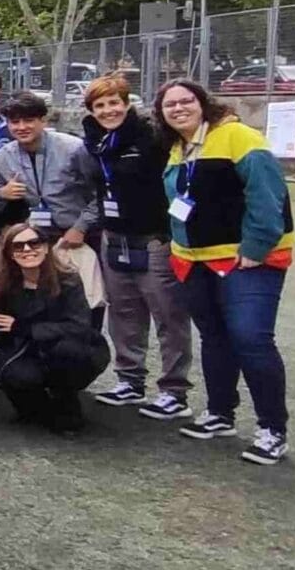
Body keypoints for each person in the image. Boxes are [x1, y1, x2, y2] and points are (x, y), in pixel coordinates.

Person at [156, 78, 295, 465]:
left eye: (186, 101)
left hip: (246, 261)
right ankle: (220, 412)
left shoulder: (238, 137)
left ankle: (272, 429)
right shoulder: (177, 148)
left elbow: (267, 194)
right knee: (215, 337)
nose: (179, 108)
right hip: (195, 260)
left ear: (203, 103)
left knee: (251, 338)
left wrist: (256, 247)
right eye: (170, 105)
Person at [81, 74, 192, 420]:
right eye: (100, 105)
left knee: (168, 315)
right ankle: (130, 380)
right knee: (124, 313)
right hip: (113, 237)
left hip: (153, 238)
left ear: (127, 103)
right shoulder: (95, 140)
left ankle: (174, 390)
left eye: (114, 102)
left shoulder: (152, 136)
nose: (108, 110)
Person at [0, 223, 109, 435]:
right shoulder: (4, 283)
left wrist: (24, 328)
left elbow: (78, 327)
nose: (27, 250)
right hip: (26, 350)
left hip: (73, 349)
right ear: (10, 254)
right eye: (18, 246)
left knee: (65, 351)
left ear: (47, 247)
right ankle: (39, 407)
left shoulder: (68, 280)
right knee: (18, 383)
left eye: (34, 243)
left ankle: (66, 400)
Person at [0, 91, 96, 245]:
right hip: (35, 237)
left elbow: (99, 195)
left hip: (77, 233)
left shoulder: (73, 149)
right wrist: (1, 194)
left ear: (43, 121)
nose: (21, 127)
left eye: (29, 120)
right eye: (15, 122)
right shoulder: (5, 155)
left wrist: (80, 228)